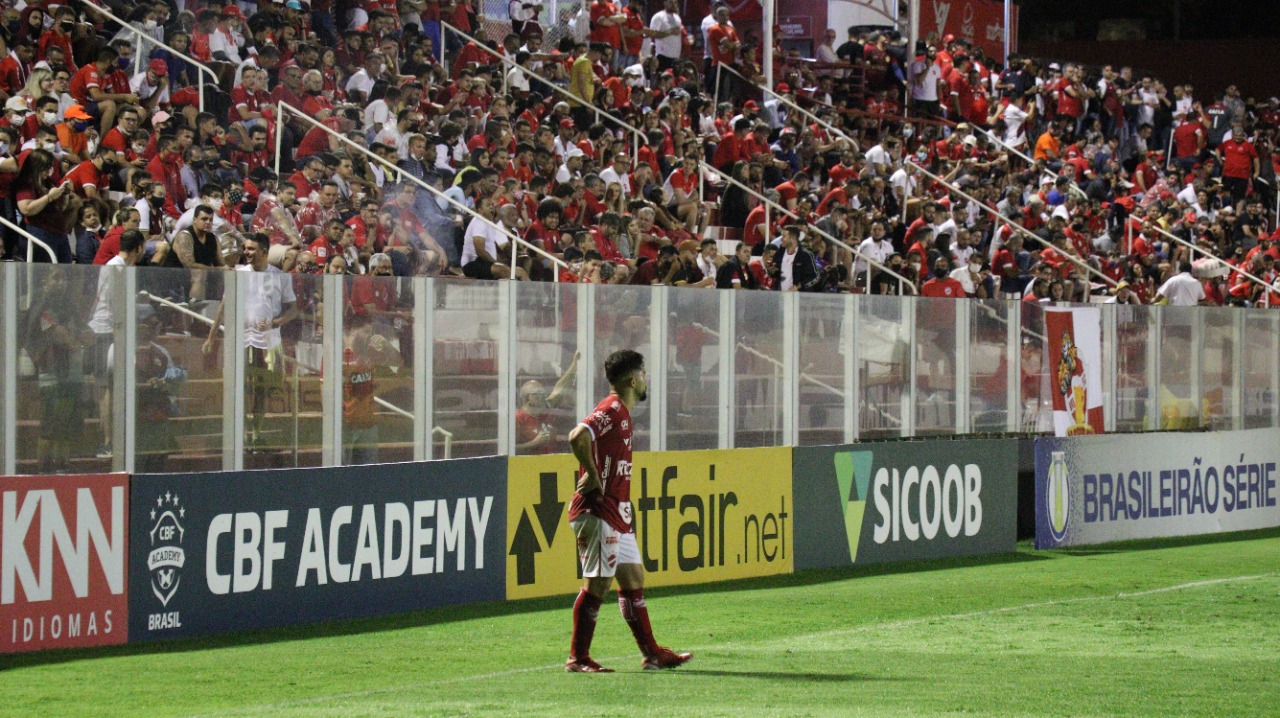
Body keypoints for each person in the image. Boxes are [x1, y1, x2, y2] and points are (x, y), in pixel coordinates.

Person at [566, 349, 692, 673]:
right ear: (633, 379)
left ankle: (652, 654)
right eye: (644, 374)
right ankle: (578, 658)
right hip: (597, 510)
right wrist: (592, 475)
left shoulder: (622, 413)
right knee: (597, 583)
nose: (646, 379)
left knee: (633, 577)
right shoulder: (612, 409)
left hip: (616, 514)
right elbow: (577, 436)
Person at [515, 350, 580, 454]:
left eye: (543, 394)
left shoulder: (545, 407)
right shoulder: (518, 418)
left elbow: (560, 389)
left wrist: (575, 363)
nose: (543, 397)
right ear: (527, 398)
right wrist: (534, 443)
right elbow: (509, 450)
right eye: (538, 394)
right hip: (527, 467)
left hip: (550, 464)